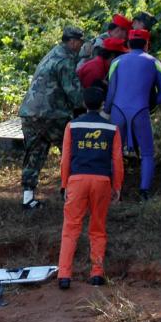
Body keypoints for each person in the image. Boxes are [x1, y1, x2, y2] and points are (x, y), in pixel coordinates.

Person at [57, 88, 124, 289]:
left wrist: (64, 183)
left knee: (70, 228)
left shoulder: (72, 126)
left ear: (84, 103)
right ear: (103, 104)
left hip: (77, 180)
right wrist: (117, 186)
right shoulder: (112, 128)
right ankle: (96, 273)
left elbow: (65, 158)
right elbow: (117, 161)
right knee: (98, 228)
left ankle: (64, 275)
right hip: (102, 181)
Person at [18, 25, 86, 210]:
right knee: (70, 152)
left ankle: (28, 197)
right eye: (80, 42)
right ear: (72, 42)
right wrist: (92, 106)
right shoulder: (66, 60)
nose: (81, 46)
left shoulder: (51, 54)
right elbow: (74, 94)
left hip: (30, 113)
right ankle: (69, 193)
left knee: (34, 154)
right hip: (53, 115)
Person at [104, 28, 161, 200]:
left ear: (128, 44)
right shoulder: (154, 62)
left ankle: (113, 190)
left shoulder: (116, 62)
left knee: (114, 152)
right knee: (147, 153)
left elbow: (111, 93)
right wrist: (151, 105)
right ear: (147, 44)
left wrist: (106, 111)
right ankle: (144, 192)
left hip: (118, 111)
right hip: (141, 111)